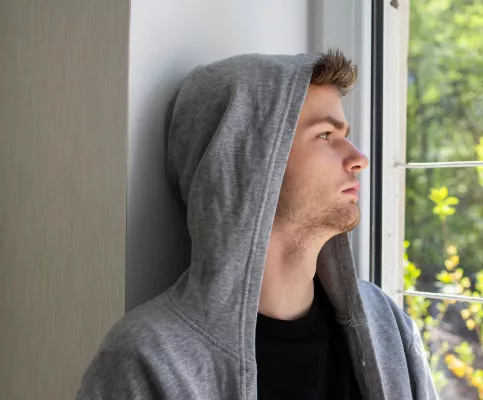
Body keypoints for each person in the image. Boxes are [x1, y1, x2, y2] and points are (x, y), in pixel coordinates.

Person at [77, 50, 437, 400]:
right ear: (249, 164)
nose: (359, 158)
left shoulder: (386, 325)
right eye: (326, 136)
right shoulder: (148, 360)